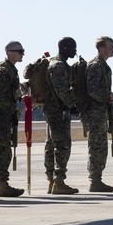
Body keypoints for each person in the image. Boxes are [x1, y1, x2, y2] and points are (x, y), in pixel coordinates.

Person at [0, 41, 25, 198]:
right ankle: (2, 185)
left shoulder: (10, 70)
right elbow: (0, 96)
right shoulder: (3, 71)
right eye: (19, 51)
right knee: (2, 150)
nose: (22, 54)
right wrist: (12, 109)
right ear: (9, 52)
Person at [45, 37, 79, 194]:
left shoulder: (56, 63)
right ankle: (58, 182)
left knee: (53, 145)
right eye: (72, 48)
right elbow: (61, 90)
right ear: (64, 48)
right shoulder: (58, 66)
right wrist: (72, 105)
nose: (75, 51)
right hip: (58, 112)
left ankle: (53, 182)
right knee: (62, 146)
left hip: (55, 111)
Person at [84, 36, 113, 192]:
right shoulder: (96, 66)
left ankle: (97, 179)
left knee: (101, 147)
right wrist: (107, 96)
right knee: (96, 147)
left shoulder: (103, 66)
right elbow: (92, 90)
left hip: (101, 113)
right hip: (95, 114)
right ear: (102, 48)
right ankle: (94, 181)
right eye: (111, 46)